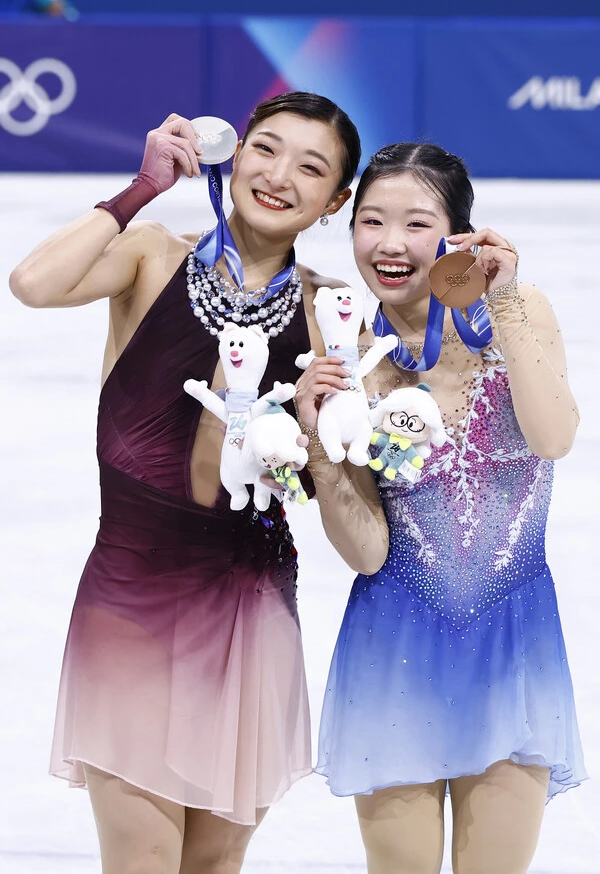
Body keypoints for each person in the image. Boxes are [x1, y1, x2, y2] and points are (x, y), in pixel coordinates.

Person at [9, 92, 360, 874]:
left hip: (253, 610)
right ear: (232, 156)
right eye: (265, 149)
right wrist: (139, 192)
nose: (277, 175)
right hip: (132, 603)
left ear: (336, 200)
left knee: (211, 865)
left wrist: (315, 426)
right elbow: (31, 283)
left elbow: (328, 475)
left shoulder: (330, 310)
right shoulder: (153, 255)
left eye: (310, 167)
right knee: (141, 862)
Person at [294, 143, 587, 874]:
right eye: (370, 222)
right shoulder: (351, 352)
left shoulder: (520, 313)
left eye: (416, 223)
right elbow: (364, 553)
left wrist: (507, 296)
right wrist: (321, 445)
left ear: (458, 233)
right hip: (393, 648)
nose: (390, 245)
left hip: (513, 642)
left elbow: (553, 437)